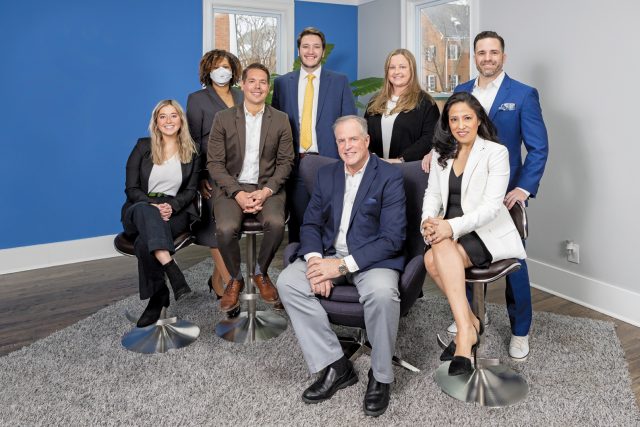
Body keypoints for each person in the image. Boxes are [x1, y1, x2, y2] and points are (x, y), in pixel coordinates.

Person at [422, 31, 548, 359]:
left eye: (494, 52)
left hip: (504, 196)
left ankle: (520, 329)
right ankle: (471, 316)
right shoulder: (462, 91)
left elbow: (538, 147)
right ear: (474, 57)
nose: (487, 58)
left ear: (503, 57)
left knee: (515, 262)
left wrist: (523, 188)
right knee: (454, 253)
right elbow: (448, 133)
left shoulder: (522, 95)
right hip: (462, 195)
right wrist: (431, 154)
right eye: (481, 52)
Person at [276, 116, 406, 417]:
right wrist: (316, 263)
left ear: (366, 141)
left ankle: (381, 376)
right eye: (341, 141)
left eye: (353, 139)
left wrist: (341, 267)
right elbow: (310, 223)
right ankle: (336, 365)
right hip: (328, 253)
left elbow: (392, 238)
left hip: (371, 260)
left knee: (383, 294)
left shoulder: (389, 176)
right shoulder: (327, 175)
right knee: (288, 283)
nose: (347, 146)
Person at [421, 92, 526, 375]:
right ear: (448, 123)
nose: (461, 124)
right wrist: (428, 221)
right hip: (449, 231)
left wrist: (449, 227)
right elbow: (431, 194)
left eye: (467, 118)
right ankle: (469, 325)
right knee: (433, 255)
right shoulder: (441, 153)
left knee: (433, 258)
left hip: (485, 231)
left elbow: (492, 208)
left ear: (478, 120)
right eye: (454, 119)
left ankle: (465, 338)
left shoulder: (495, 152)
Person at [207, 63, 294, 313]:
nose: (257, 86)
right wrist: (238, 193)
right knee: (225, 229)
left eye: (263, 82)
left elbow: (286, 162)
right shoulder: (223, 118)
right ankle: (235, 278)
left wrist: (266, 191)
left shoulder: (280, 119)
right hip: (231, 188)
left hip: (268, 187)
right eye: (252, 81)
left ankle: (260, 272)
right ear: (242, 85)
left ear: (268, 87)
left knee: (277, 224)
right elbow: (214, 163)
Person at [271, 27, 357, 242]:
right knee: (299, 225)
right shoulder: (282, 84)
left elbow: (350, 124)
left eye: (316, 47)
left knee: (331, 222)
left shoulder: (339, 82)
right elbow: (274, 127)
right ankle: (297, 270)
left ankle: (328, 271)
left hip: (330, 163)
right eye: (306, 46)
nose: (311, 51)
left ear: (323, 51)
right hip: (296, 165)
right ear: (298, 50)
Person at [121, 100, 199, 327]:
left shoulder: (192, 152)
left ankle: (158, 298)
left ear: (181, 120)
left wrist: (171, 206)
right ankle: (170, 266)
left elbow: (191, 190)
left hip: (174, 210)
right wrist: (152, 205)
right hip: (140, 207)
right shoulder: (142, 147)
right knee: (147, 214)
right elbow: (131, 188)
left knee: (145, 243)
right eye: (162, 116)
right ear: (156, 122)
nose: (168, 121)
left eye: (173, 115)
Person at [187, 49, 243, 299]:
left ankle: (216, 281)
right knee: (215, 230)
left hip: (241, 173)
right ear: (208, 71)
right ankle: (231, 285)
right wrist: (198, 177)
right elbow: (192, 141)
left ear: (233, 70)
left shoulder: (242, 95)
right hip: (210, 172)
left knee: (231, 229)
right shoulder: (197, 99)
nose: (223, 70)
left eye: (227, 66)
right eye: (217, 66)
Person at [364, 48, 439, 163]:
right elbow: (364, 133)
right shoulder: (375, 101)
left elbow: (429, 138)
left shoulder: (426, 103)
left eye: (402, 67)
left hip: (408, 169)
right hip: (376, 168)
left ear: (412, 70)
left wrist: (400, 160)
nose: (396, 72)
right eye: (392, 67)